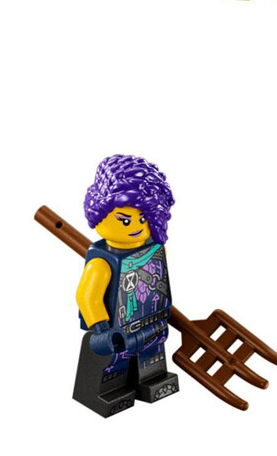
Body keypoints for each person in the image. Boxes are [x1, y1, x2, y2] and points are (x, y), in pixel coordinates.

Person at [71, 154, 178, 416]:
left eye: (143, 219)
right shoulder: (102, 262)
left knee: (152, 357)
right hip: (116, 332)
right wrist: (100, 328)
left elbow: (158, 280)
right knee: (111, 366)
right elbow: (87, 296)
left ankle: (151, 381)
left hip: (151, 323)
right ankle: (109, 392)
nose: (136, 227)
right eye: (125, 220)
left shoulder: (154, 250)